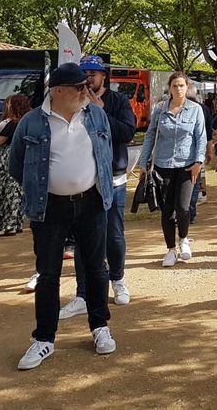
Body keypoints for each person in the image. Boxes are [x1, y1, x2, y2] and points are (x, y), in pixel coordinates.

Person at [9, 63, 117, 370]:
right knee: (48, 274)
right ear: (57, 91)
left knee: (96, 268)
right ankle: (44, 338)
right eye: (80, 87)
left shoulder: (96, 115)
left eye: (87, 86)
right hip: (49, 208)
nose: (87, 91)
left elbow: (105, 155)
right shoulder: (31, 122)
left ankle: (100, 327)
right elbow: (17, 165)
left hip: (92, 202)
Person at [56, 55, 137, 320]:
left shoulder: (118, 101)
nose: (89, 78)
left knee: (114, 234)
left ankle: (118, 279)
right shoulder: (73, 103)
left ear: (104, 76)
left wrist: (101, 110)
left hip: (113, 179)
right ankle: (82, 294)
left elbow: (127, 133)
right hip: (84, 182)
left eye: (94, 73)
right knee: (83, 240)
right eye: (85, 73)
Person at [139, 72, 206, 268]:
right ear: (169, 88)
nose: (178, 89)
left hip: (187, 166)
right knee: (167, 210)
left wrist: (199, 162)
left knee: (183, 207)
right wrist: (144, 163)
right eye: (175, 85)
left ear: (187, 87)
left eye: (181, 85)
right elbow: (150, 136)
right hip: (163, 166)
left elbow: (201, 137)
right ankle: (170, 250)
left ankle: (183, 239)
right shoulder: (160, 109)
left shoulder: (195, 110)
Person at [0, 94, 32, 236]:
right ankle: (16, 223)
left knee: (7, 192)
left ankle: (6, 225)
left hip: (9, 158)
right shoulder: (30, 120)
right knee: (17, 192)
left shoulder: (13, 123)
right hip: (25, 157)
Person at [187, 81, 215, 223]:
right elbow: (208, 133)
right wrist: (209, 151)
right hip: (199, 151)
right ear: (196, 93)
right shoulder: (203, 108)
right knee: (195, 182)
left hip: (185, 152)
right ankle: (190, 212)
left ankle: (184, 211)